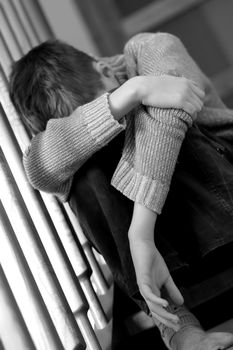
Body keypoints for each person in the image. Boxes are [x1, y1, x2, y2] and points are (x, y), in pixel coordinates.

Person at [10, 32, 233, 349]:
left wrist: (140, 232)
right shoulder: (53, 153)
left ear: (106, 70)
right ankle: (180, 329)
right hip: (161, 262)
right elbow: (39, 167)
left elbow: (171, 110)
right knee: (86, 171)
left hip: (220, 199)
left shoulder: (148, 48)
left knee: (157, 114)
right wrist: (131, 93)